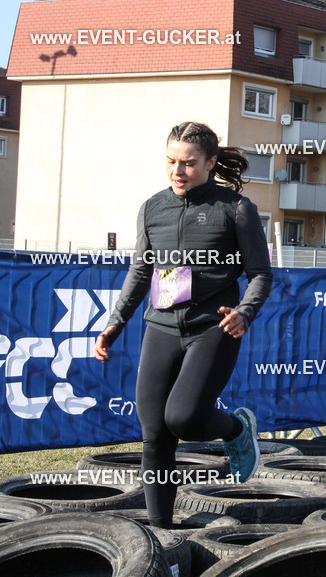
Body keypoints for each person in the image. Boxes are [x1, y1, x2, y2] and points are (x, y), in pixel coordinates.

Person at [92, 122, 273, 529]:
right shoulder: (153, 207)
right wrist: (115, 323)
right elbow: (141, 272)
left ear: (210, 163)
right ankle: (160, 532)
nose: (178, 171)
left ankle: (236, 427)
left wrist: (244, 312)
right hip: (160, 327)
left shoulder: (236, 209)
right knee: (154, 436)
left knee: (186, 419)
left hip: (213, 328)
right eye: (171, 162)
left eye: (189, 164)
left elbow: (261, 274)